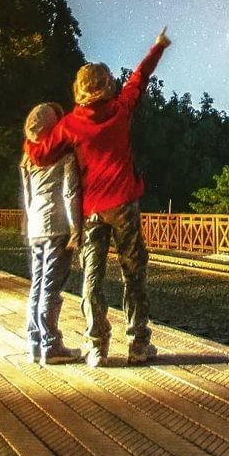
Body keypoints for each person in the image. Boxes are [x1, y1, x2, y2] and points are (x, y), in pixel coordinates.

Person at [57, 28, 171, 367]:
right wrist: (157, 47)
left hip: (91, 211)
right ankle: (137, 343)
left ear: (78, 89)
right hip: (123, 205)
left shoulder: (71, 125)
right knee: (133, 272)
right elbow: (140, 77)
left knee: (91, 275)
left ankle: (97, 345)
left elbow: (47, 152)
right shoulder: (121, 110)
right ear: (108, 84)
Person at [20, 102, 82, 364]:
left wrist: (27, 223)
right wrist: (76, 228)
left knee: (37, 283)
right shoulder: (65, 156)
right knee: (51, 287)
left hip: (36, 225)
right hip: (57, 226)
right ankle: (51, 345)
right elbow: (70, 193)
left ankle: (35, 343)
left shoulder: (28, 157)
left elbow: (28, 195)